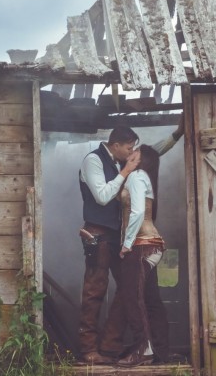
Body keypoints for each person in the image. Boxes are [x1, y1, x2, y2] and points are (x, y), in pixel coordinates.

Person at [78, 121, 183, 364]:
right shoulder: (93, 160)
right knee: (95, 291)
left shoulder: (124, 163)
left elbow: (149, 153)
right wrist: (126, 172)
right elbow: (103, 197)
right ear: (115, 145)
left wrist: (175, 135)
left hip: (120, 238)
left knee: (128, 290)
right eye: (129, 148)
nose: (133, 153)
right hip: (99, 235)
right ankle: (88, 350)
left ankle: (110, 346)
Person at [116, 145, 168, 367]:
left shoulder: (137, 176)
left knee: (132, 297)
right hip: (152, 244)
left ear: (141, 158)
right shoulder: (144, 176)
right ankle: (160, 350)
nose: (130, 153)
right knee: (150, 299)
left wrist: (126, 244)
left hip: (141, 245)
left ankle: (143, 350)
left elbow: (137, 211)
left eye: (135, 151)